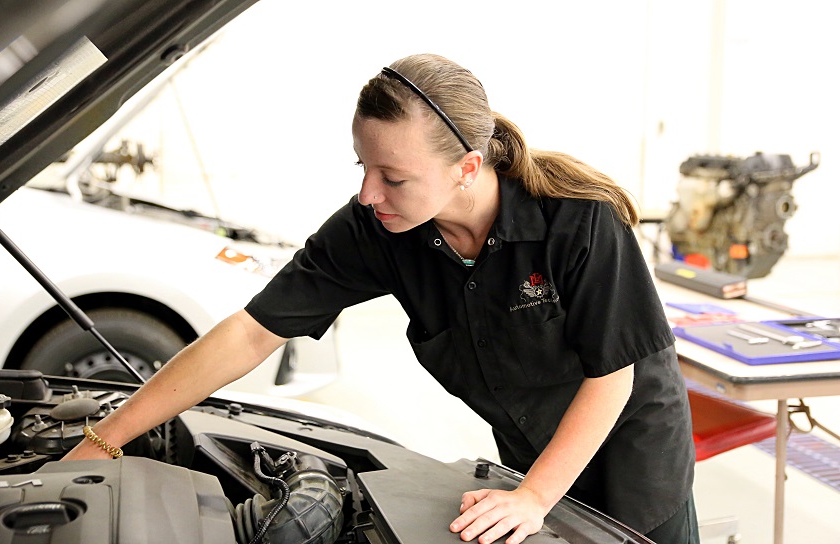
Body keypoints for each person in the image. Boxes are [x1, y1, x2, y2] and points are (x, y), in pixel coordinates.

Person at [63, 53, 698, 544]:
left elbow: (612, 378)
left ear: (466, 168)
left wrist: (535, 497)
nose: (369, 194)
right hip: (528, 459)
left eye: (393, 177)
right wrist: (106, 439)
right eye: (362, 168)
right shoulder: (378, 230)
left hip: (633, 462)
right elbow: (252, 331)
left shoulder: (579, 223)